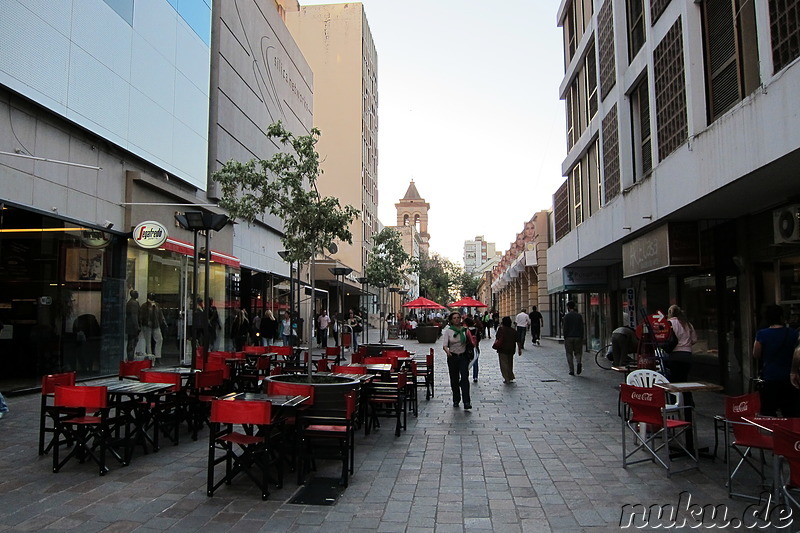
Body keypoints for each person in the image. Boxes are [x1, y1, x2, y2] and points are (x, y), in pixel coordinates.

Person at [753, 304, 799, 417]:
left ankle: (772, 433)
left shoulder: (762, 334)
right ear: (782, 317)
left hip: (770, 377)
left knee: (769, 412)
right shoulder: (792, 333)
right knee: (790, 413)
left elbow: (756, 354)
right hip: (789, 378)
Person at [442, 311, 472, 409]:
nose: (456, 319)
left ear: (460, 319)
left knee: (464, 378)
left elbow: (471, 341)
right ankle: (456, 399)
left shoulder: (465, 330)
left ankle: (466, 401)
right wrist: (448, 352)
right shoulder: (449, 331)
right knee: (454, 379)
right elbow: (445, 345)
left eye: (458, 318)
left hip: (463, 356)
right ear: (451, 320)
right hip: (453, 357)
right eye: (454, 318)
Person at [139, 293, 166, 359]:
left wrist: (163, 322)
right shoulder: (144, 306)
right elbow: (141, 316)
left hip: (156, 324)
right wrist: (143, 323)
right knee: (148, 342)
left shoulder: (157, 305)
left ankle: (157, 356)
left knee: (159, 339)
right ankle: (150, 357)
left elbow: (160, 314)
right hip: (147, 325)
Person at [562, 301, 584, 375]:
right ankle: (579, 362)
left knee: (569, 353)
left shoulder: (566, 316)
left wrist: (565, 336)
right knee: (578, 352)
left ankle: (571, 370)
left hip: (569, 337)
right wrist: (581, 336)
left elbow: (565, 327)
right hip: (578, 337)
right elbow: (582, 327)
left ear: (568, 307)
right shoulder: (579, 316)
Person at [495, 316, 519, 383]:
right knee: (510, 363)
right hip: (511, 349)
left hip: (502, 349)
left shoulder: (501, 329)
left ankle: (506, 378)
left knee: (503, 364)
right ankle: (510, 376)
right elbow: (518, 340)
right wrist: (519, 349)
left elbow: (497, 337)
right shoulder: (513, 330)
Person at [125, 290, 141, 361]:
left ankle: (130, 357)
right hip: (132, 326)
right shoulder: (133, 303)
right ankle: (130, 359)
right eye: (136, 293)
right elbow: (134, 315)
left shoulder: (131, 302)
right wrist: (137, 326)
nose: (138, 294)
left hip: (131, 325)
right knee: (132, 343)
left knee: (131, 342)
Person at [466, 316, 482, 383]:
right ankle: (475, 377)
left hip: (467, 348)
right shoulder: (476, 330)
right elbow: (479, 338)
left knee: (466, 363)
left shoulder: (465, 330)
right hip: (475, 347)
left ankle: (465, 375)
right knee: (475, 362)